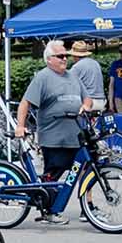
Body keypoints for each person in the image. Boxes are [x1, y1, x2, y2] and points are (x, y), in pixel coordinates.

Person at [16, 39, 85, 186]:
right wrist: (20, 126)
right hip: (54, 139)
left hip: (75, 136)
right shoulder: (43, 77)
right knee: (51, 178)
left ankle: (88, 205)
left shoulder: (73, 76)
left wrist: (85, 106)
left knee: (82, 171)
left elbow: (88, 99)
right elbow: (25, 103)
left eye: (66, 55)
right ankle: (47, 204)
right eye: (60, 56)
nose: (65, 59)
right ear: (49, 59)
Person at [68, 39, 104, 113]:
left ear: (75, 55)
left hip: (88, 102)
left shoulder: (76, 67)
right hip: (101, 101)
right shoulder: (95, 63)